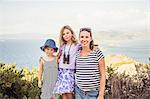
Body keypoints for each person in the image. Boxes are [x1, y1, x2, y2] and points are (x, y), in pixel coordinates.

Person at [75, 27, 106, 99]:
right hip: (79, 92)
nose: (84, 39)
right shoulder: (77, 53)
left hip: (93, 94)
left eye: (87, 37)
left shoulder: (97, 52)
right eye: (82, 37)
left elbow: (103, 75)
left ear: (91, 39)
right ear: (79, 38)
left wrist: (101, 95)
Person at [53, 25, 79, 99]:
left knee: (69, 92)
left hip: (70, 71)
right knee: (63, 92)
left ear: (72, 33)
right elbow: (58, 56)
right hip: (61, 71)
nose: (65, 35)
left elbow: (86, 47)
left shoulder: (77, 45)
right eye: (63, 34)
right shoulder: (62, 46)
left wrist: (93, 46)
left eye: (67, 33)